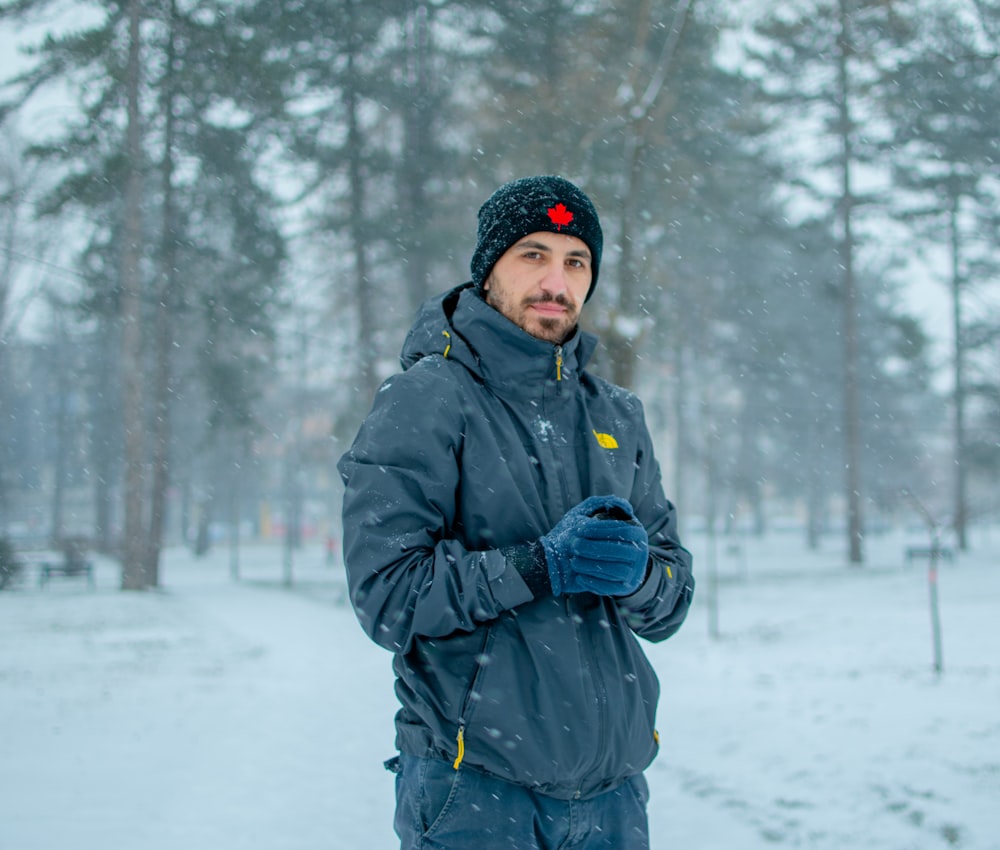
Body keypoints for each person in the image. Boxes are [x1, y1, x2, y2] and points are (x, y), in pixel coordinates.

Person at [338, 175, 695, 849]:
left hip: (613, 800)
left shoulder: (616, 414)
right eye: (533, 254)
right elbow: (387, 598)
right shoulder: (427, 400)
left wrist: (643, 576)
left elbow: (672, 600)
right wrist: (538, 567)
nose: (555, 281)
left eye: (575, 260)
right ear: (488, 269)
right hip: (476, 794)